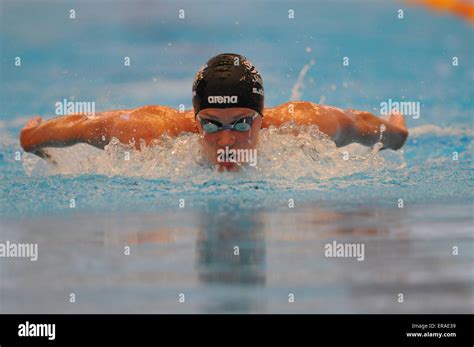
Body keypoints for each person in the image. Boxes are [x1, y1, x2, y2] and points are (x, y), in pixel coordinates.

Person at [20, 53, 408, 172]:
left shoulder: (304, 126)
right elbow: (81, 126)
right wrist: (33, 138)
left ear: (263, 119)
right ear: (194, 121)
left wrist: (396, 132)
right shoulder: (152, 133)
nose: (226, 140)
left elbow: (365, 126)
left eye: (242, 123)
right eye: (211, 124)